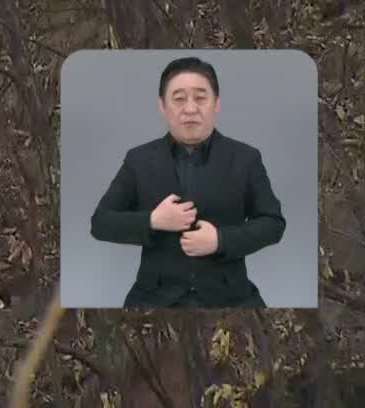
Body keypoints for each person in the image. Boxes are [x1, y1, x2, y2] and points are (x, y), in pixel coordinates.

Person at [89, 57, 286, 307]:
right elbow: (100, 223)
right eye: (179, 98)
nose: (190, 109)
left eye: (200, 98)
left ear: (217, 104)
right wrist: (153, 221)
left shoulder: (245, 158)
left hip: (230, 297)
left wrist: (221, 240)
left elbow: (273, 224)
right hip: (154, 299)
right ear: (162, 106)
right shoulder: (138, 160)